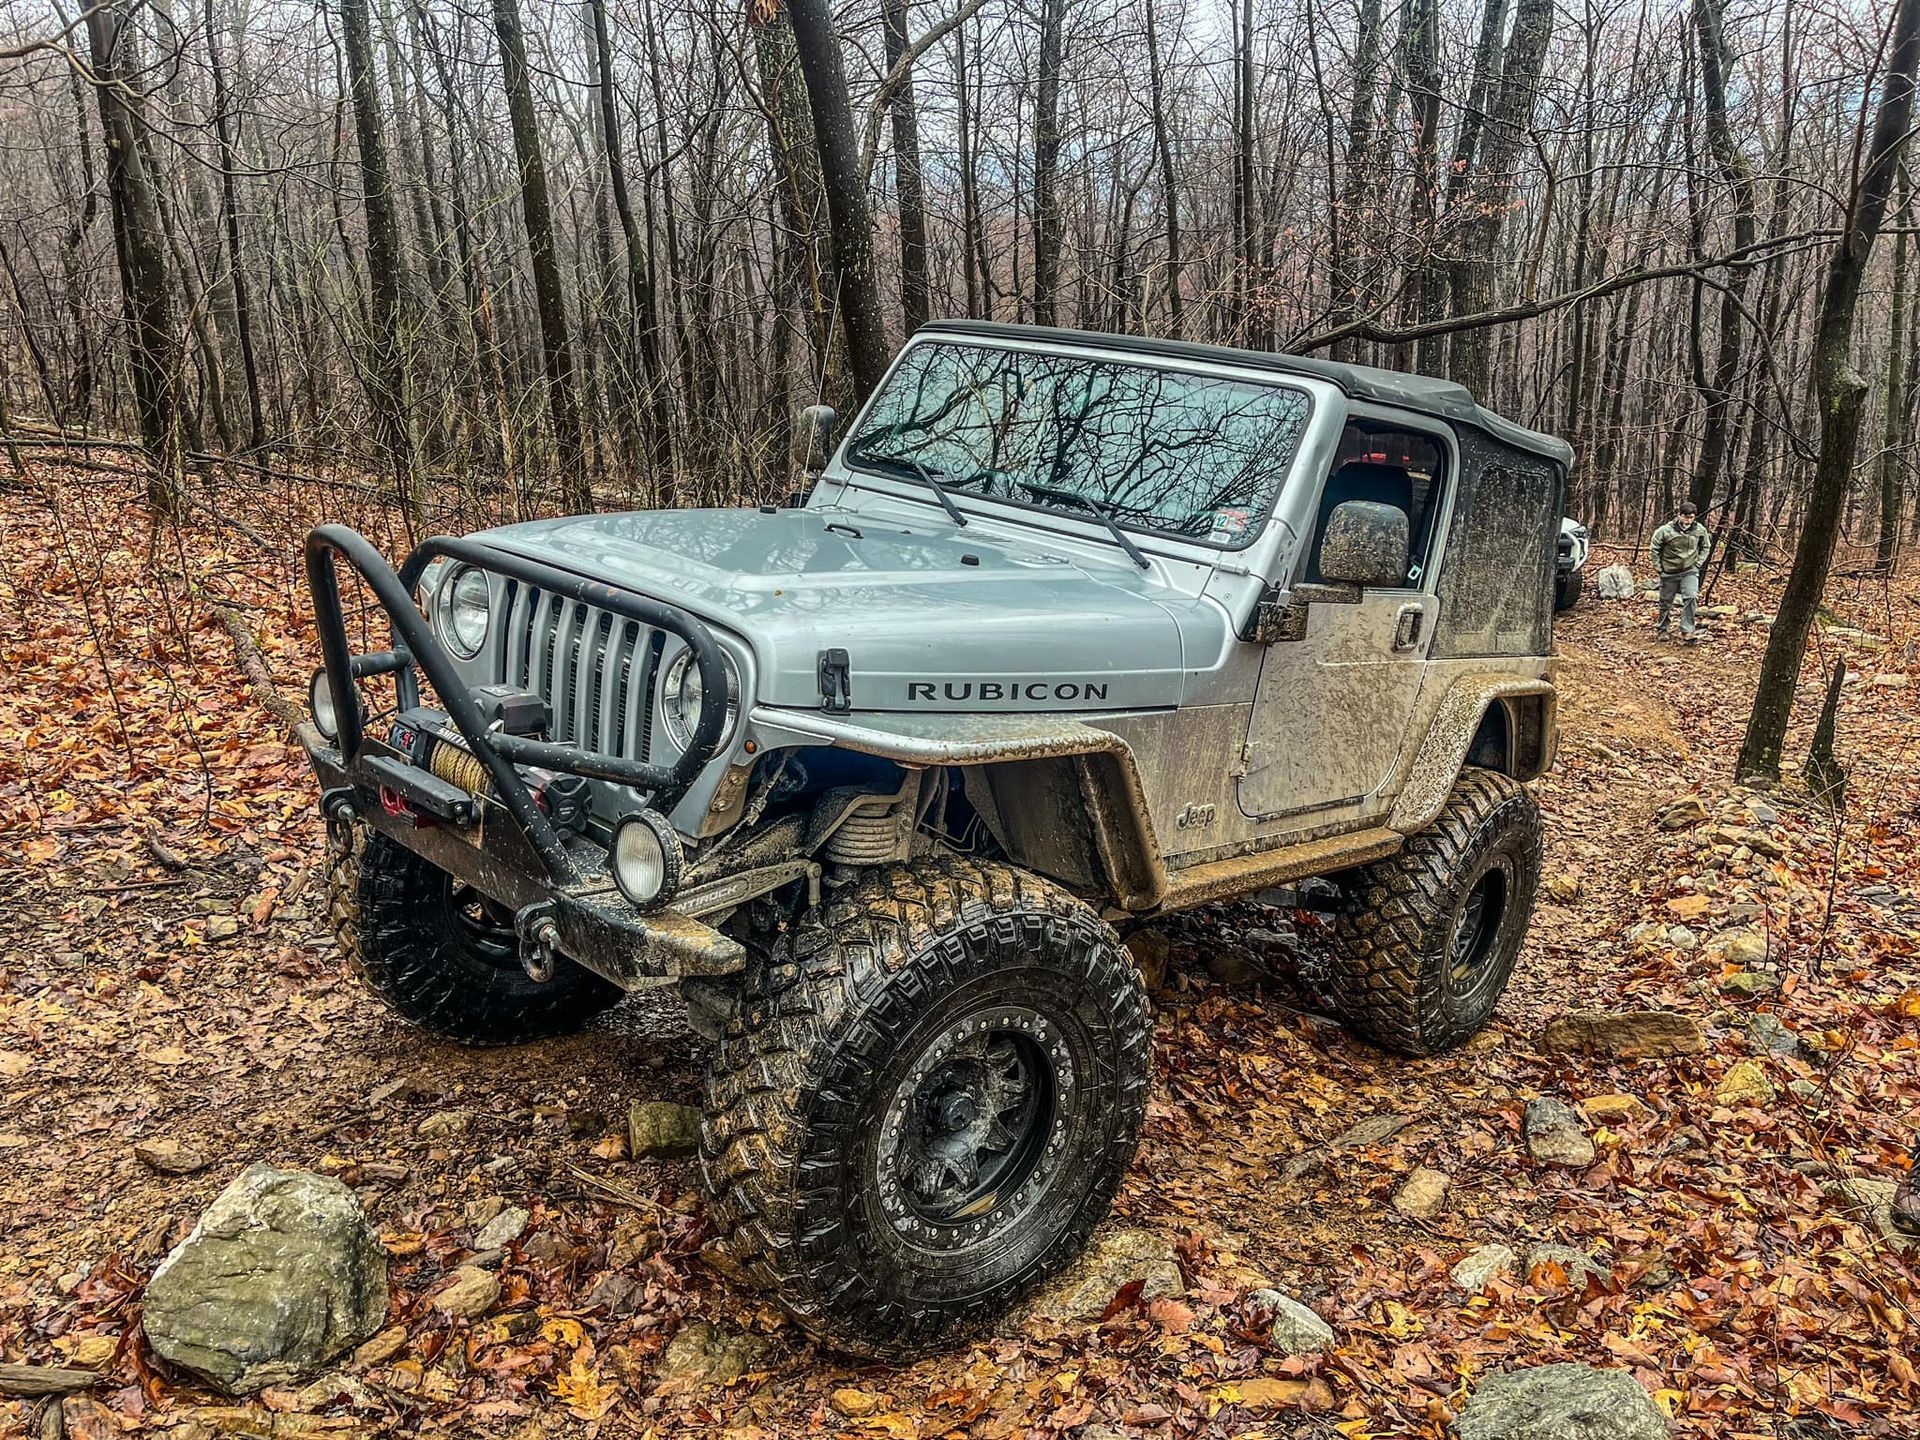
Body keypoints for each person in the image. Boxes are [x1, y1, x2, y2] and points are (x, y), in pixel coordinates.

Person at [1650, 501, 1712, 641]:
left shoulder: (1699, 530)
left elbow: (1706, 547)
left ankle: (1688, 630)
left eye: (1691, 517)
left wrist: (1698, 564)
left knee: (1691, 597)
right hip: (1669, 571)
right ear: (1679, 515)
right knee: (1666, 601)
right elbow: (1654, 548)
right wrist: (1659, 568)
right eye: (1685, 517)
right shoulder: (1665, 531)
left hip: (1689, 570)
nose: (1688, 520)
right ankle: (1662, 629)